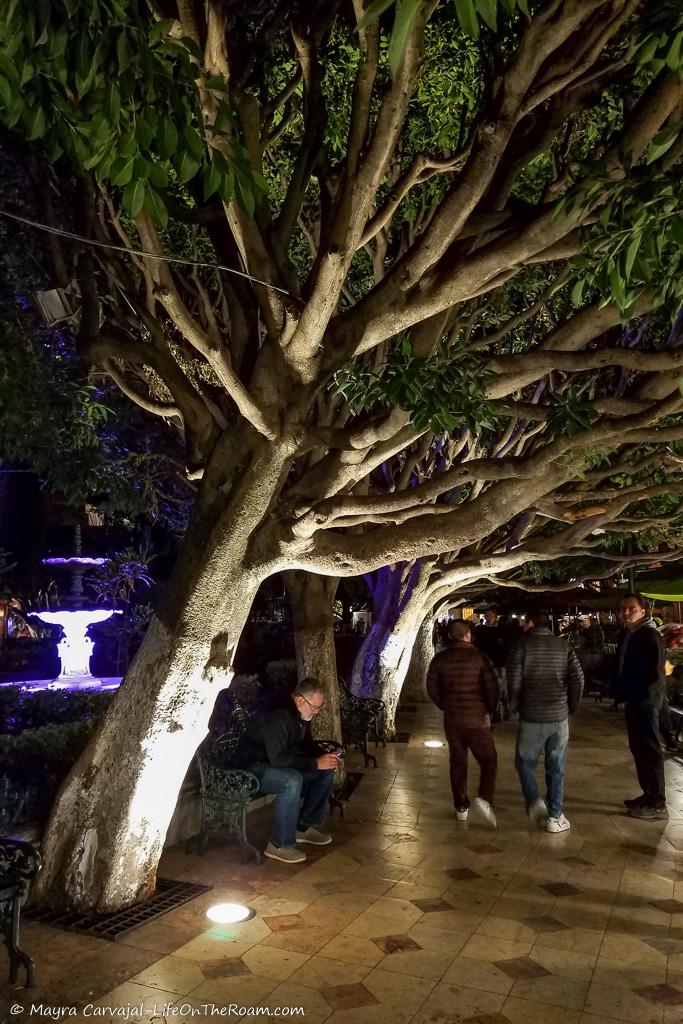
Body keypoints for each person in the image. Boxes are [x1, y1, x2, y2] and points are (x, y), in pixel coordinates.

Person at [241, 677, 341, 863]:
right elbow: (278, 759)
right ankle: (279, 844)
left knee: (325, 770)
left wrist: (326, 757)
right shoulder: (278, 716)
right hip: (253, 767)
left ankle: (302, 827)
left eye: (319, 707)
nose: (316, 712)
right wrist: (314, 763)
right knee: (291, 780)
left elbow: (306, 744)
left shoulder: (301, 714)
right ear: (300, 700)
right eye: (315, 707)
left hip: (273, 762)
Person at [507, 610, 584, 834]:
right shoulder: (563, 647)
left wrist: (514, 705)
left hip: (532, 715)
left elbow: (513, 680)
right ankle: (555, 815)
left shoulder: (520, 646)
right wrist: (571, 706)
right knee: (557, 767)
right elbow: (578, 678)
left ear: (530, 622)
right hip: (559, 716)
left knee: (524, 762)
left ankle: (534, 800)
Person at [426, 618, 499, 827]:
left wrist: (446, 705)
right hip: (477, 720)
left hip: (453, 719)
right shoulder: (479, 657)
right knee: (489, 759)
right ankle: (484, 798)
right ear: (467, 635)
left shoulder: (440, 660)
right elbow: (492, 687)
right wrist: (490, 710)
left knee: (458, 762)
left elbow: (431, 687)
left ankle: (460, 806)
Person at [615, 593, 668, 820]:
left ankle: (658, 802)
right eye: (624, 608)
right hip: (634, 700)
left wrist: (643, 697)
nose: (626, 612)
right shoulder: (629, 634)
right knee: (639, 748)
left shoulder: (650, 636)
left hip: (645, 701)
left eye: (631, 608)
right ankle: (647, 794)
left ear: (643, 611)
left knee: (650, 750)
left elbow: (655, 674)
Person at [474, 607, 509, 719]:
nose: (488, 618)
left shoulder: (502, 630)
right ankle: (494, 712)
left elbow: (506, 645)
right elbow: (478, 645)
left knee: (501, 688)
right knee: (488, 688)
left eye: (490, 616)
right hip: (485, 663)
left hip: (499, 662)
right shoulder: (480, 630)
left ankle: (505, 708)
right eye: (486, 616)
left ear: (495, 617)